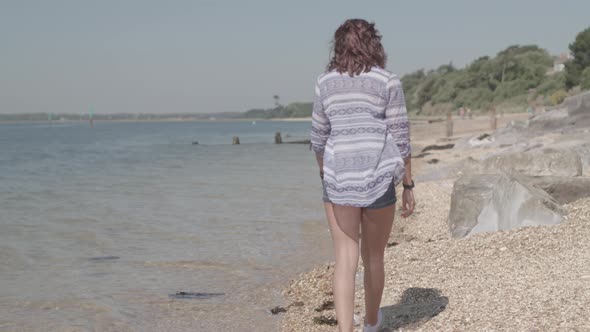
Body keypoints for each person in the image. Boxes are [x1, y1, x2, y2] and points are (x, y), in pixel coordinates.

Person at [310, 19, 415, 332]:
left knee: (345, 258)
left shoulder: (324, 83)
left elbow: (318, 137)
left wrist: (325, 175)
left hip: (339, 180)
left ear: (338, 47)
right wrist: (408, 184)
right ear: (374, 44)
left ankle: (345, 330)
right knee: (374, 257)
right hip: (379, 178)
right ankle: (370, 324)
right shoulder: (387, 81)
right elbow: (401, 137)